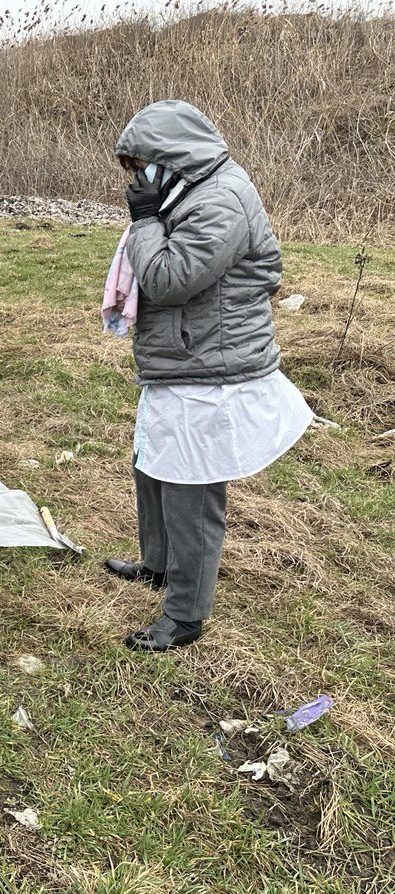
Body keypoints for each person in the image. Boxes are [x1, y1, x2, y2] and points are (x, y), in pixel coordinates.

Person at [104, 100, 313, 653]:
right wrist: (152, 218)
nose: (138, 179)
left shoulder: (222, 200)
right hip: (183, 359)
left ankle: (184, 615)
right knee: (151, 466)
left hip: (212, 369)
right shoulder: (190, 189)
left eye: (142, 166)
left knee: (190, 492)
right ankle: (158, 566)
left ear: (172, 157)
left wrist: (145, 222)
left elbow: (170, 279)